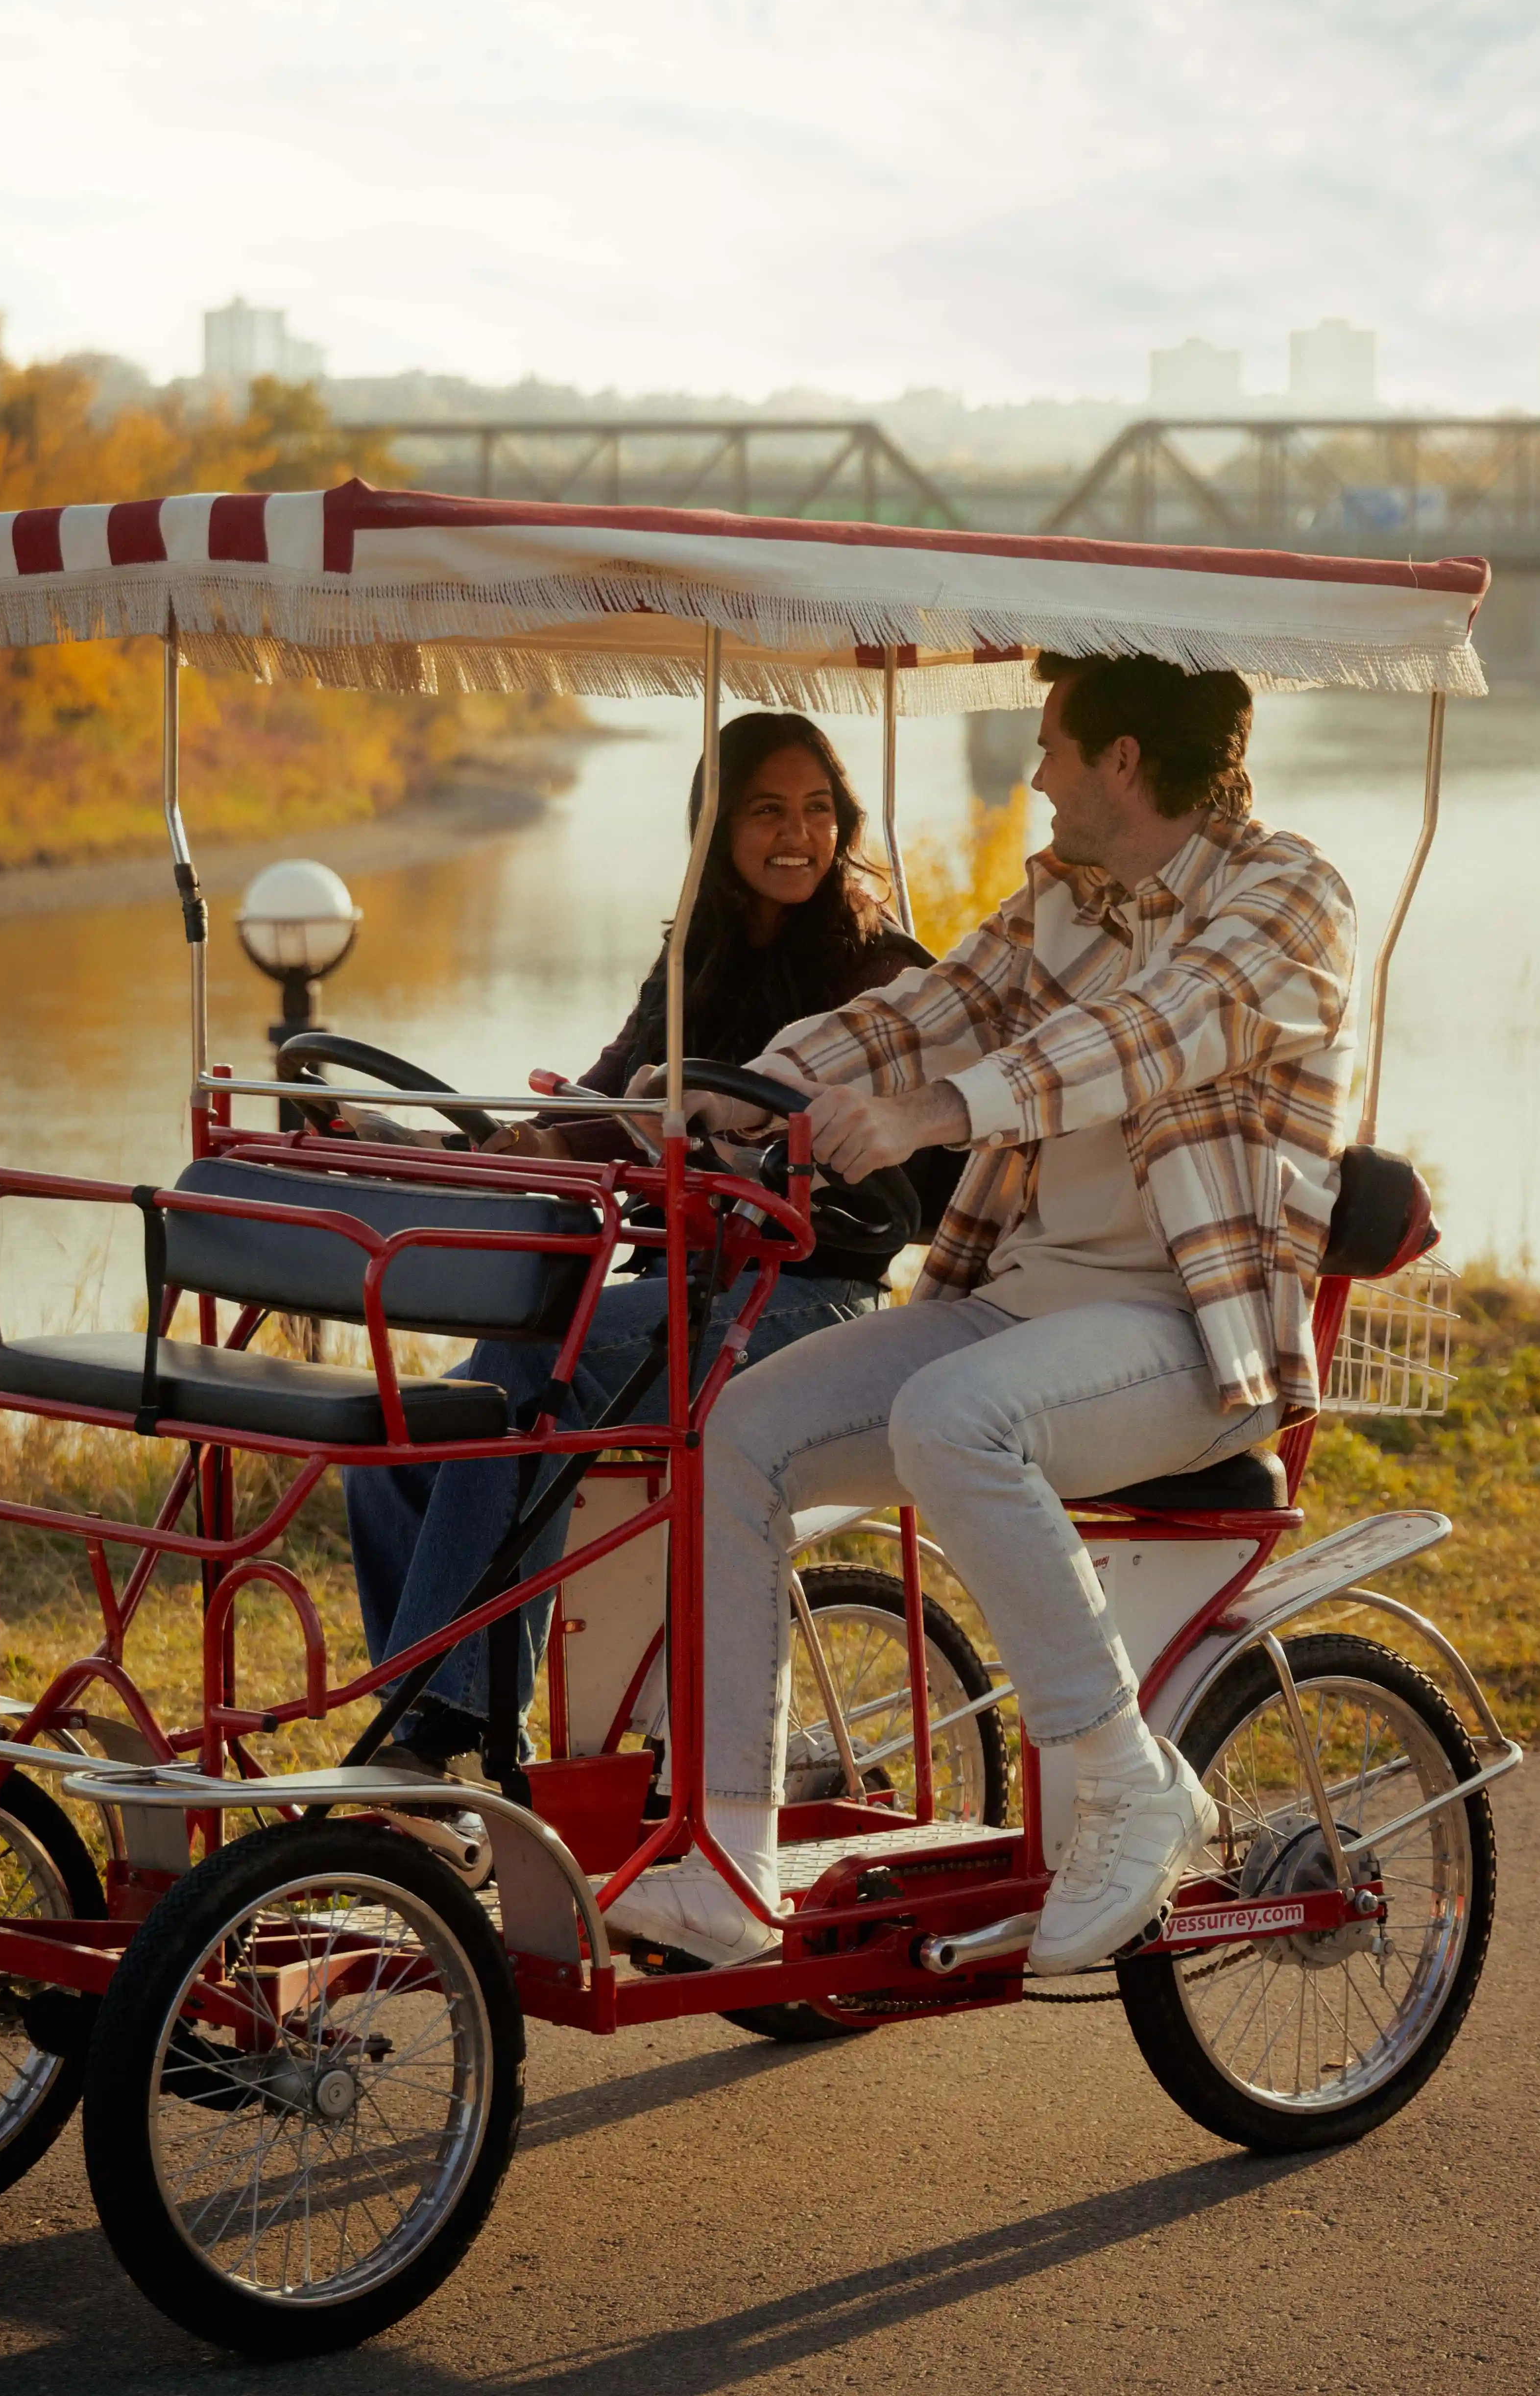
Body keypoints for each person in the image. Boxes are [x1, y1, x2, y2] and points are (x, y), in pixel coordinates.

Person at [607, 652, 1358, 1978]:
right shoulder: (1061, 899)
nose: (1038, 771)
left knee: (952, 1418)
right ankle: (727, 1861)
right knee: (743, 1430)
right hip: (1026, 1311)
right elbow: (922, 1012)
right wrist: (730, 1088)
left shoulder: (1287, 896)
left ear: (1124, 759)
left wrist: (941, 1111)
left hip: (1194, 1335)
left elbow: (1149, 1031)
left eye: (1057, 743)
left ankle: (1131, 1782)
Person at [347, 712, 956, 1787]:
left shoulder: (882, 969)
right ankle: (451, 1742)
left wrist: (781, 1146)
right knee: (407, 1433)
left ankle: (441, 1734)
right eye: (767, 809)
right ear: (716, 826)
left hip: (809, 1299)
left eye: (817, 809)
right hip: (682, 1289)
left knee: (537, 1369)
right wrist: (419, 1143)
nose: (796, 834)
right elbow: (591, 1110)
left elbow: (928, 1178)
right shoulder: (692, 958)